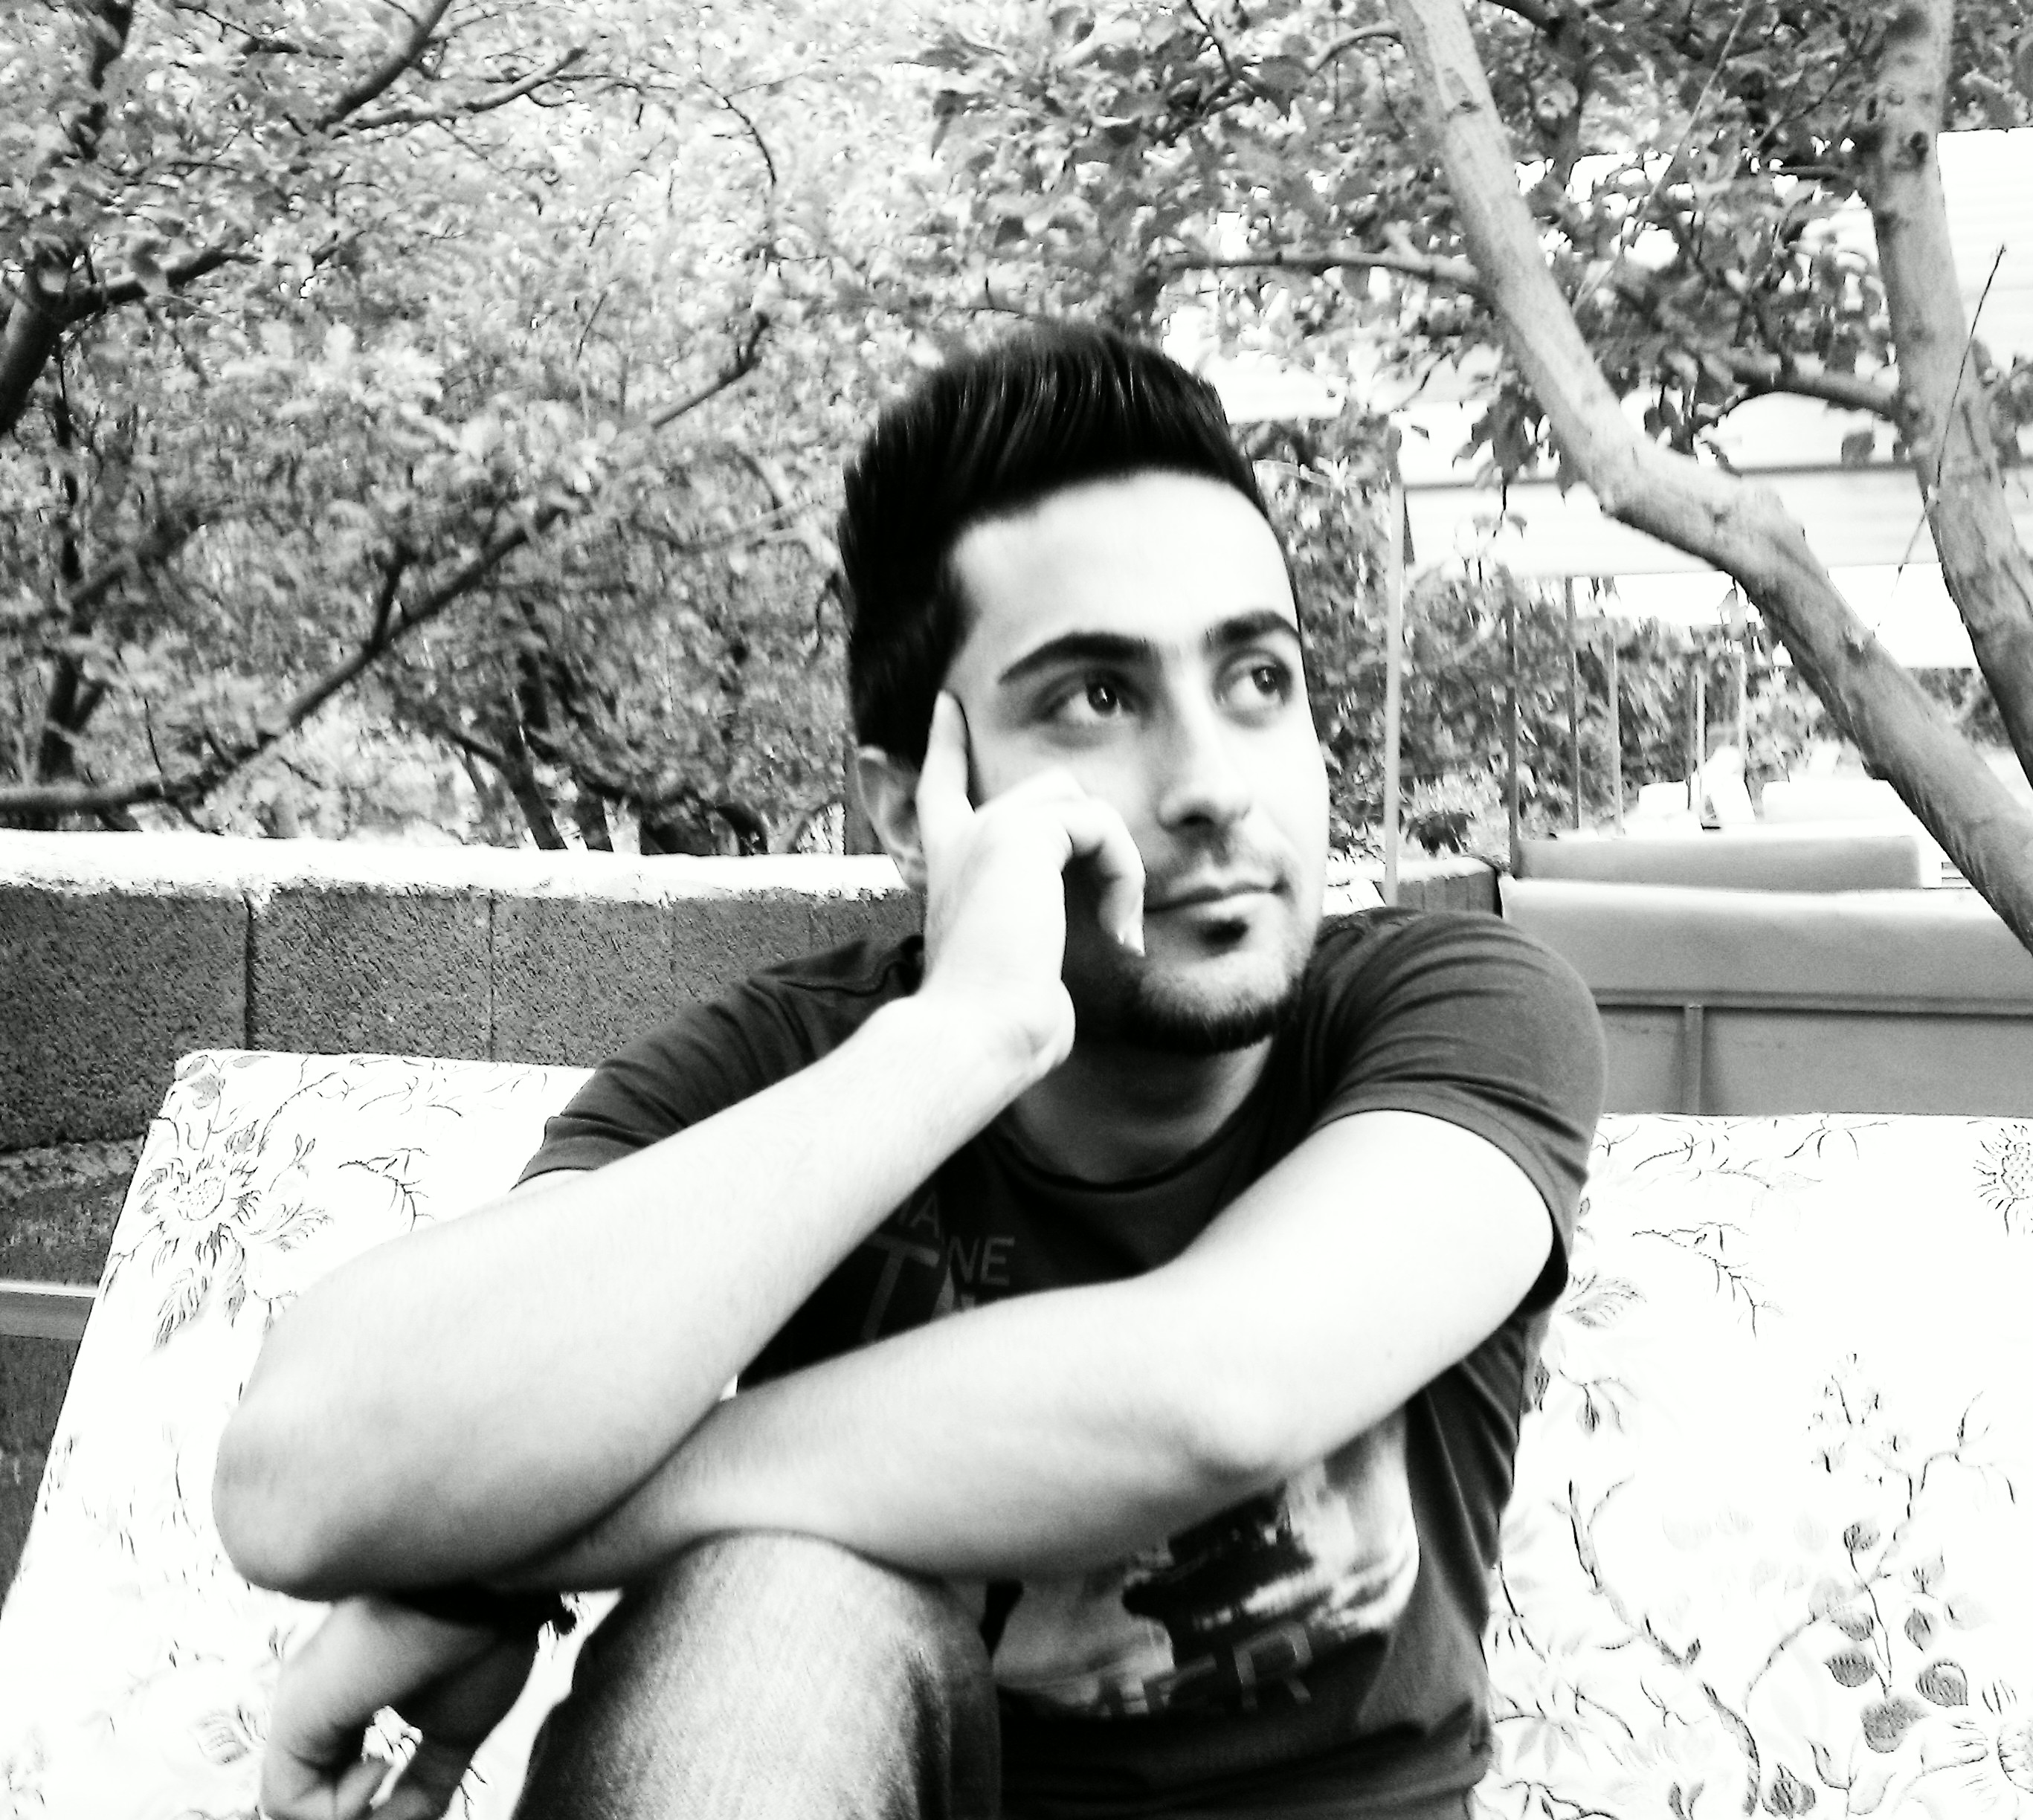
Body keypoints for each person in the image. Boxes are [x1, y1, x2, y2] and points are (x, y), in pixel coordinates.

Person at [213, 326, 1605, 1819]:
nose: (1214, 785)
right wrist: (961, 1036)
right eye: (1096, 698)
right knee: (771, 1613)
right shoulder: (799, 1069)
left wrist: (510, 1558)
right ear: (910, 809)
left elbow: (1219, 1392)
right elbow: (297, 1478)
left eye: (1258, 679)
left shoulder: (1452, 1008)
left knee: (756, 1562)